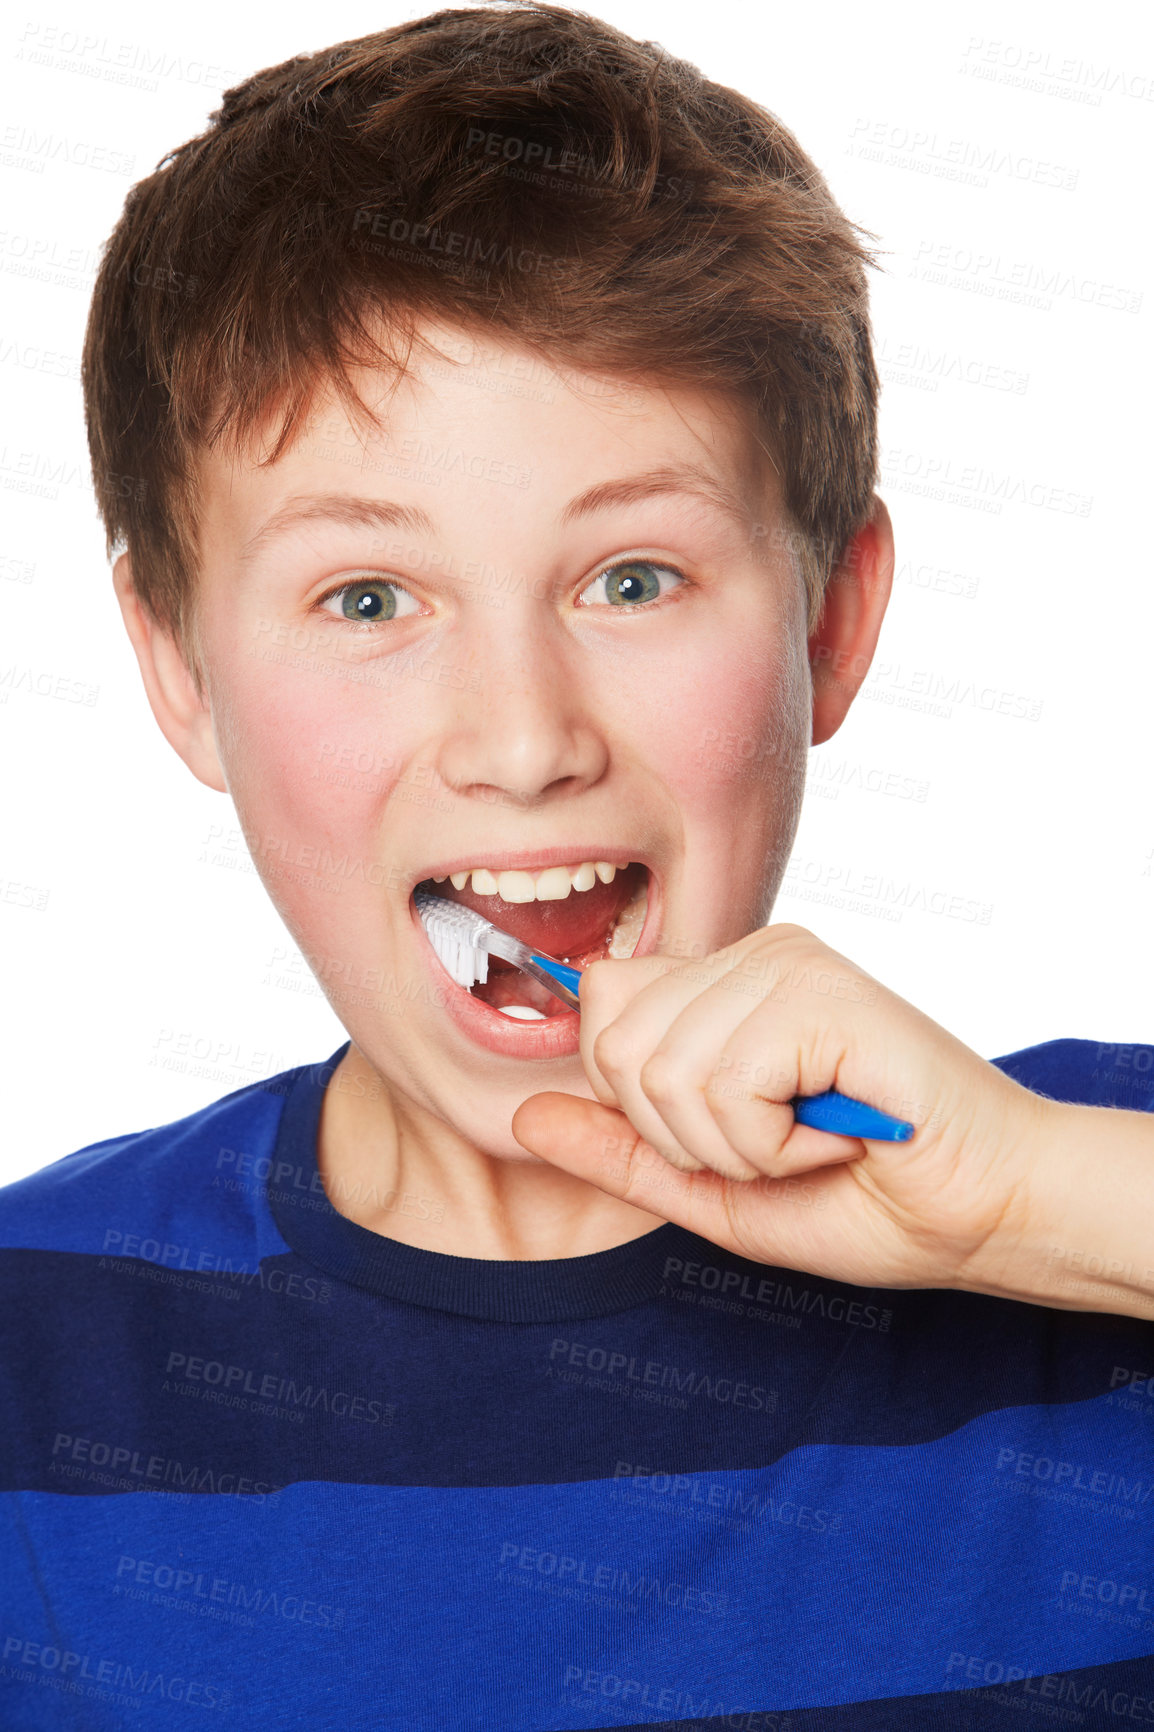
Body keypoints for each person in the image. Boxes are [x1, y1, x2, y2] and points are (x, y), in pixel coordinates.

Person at [2, 5, 1152, 1726]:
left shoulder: (1085, 1206)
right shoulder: (40, 1366)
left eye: (631, 579)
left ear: (829, 624)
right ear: (178, 669)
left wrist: (1046, 1206)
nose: (522, 735)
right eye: (368, 600)